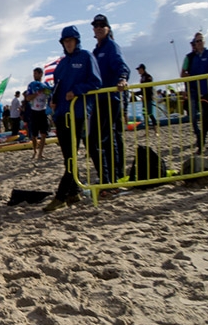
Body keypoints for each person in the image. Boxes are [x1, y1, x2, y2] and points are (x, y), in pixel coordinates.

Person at [44, 26, 101, 212]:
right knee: (67, 157)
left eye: (71, 40)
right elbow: (57, 86)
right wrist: (53, 99)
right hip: (61, 115)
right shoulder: (61, 64)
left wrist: (76, 91)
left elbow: (96, 82)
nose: (68, 44)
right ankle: (74, 192)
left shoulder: (86, 57)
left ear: (77, 41)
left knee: (71, 158)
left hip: (77, 114)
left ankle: (60, 196)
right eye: (65, 41)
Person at [89, 14, 129, 189]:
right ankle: (111, 175)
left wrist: (122, 78)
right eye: (96, 25)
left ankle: (114, 176)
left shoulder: (111, 46)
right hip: (99, 99)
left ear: (108, 28)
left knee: (107, 138)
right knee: (104, 138)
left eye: (102, 25)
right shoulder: (96, 51)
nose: (98, 28)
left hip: (111, 98)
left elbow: (121, 65)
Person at [181, 32, 208, 154]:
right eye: (197, 41)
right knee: (207, 116)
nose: (199, 43)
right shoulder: (194, 58)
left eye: (200, 40)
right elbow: (192, 74)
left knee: (206, 117)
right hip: (199, 90)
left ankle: (201, 144)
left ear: (204, 41)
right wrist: (187, 89)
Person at [26, 67, 53, 160]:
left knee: (44, 134)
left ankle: (40, 153)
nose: (34, 76)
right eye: (33, 74)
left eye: (36, 74)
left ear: (41, 74)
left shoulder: (45, 84)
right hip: (34, 111)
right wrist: (37, 93)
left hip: (43, 111)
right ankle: (35, 151)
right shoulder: (31, 85)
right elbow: (28, 98)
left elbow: (50, 95)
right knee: (33, 134)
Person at [136, 64, 156, 130]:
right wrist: (136, 93)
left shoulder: (148, 76)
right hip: (144, 98)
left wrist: (144, 95)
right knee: (144, 114)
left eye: (139, 69)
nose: (138, 71)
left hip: (148, 98)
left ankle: (155, 129)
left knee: (150, 113)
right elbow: (142, 89)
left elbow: (149, 88)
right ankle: (147, 130)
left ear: (142, 69)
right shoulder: (142, 78)